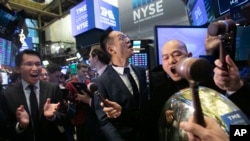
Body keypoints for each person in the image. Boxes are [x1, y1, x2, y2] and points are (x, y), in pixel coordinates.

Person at [91, 27, 149, 141]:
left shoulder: (142, 71)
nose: (128, 40)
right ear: (111, 49)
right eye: (122, 38)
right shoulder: (101, 82)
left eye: (127, 36)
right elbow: (104, 122)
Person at [0, 49, 68, 141]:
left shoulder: (53, 88)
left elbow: (64, 117)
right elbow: (4, 129)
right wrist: (20, 126)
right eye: (29, 64)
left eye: (38, 64)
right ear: (18, 69)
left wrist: (53, 116)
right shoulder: (7, 94)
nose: (35, 68)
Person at [65, 63, 92, 141]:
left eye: (86, 72)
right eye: (83, 71)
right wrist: (77, 99)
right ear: (77, 70)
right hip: (79, 116)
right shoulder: (70, 84)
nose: (85, 73)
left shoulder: (88, 82)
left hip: (90, 114)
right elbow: (69, 100)